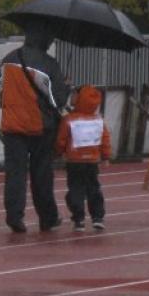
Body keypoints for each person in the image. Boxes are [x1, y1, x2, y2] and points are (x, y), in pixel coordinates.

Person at [0, 26, 71, 233]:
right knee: (42, 174)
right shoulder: (49, 64)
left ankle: (14, 216)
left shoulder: (8, 59)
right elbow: (58, 101)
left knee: (15, 173)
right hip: (41, 127)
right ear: (45, 41)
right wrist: (66, 87)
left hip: (12, 126)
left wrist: (12, 107)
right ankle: (47, 217)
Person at [55, 85, 111, 231]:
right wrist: (105, 156)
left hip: (74, 161)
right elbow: (105, 139)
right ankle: (97, 217)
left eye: (73, 94)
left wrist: (58, 152)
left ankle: (78, 218)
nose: (71, 97)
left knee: (75, 189)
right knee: (94, 188)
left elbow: (62, 139)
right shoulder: (98, 120)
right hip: (92, 161)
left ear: (80, 98)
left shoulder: (69, 120)